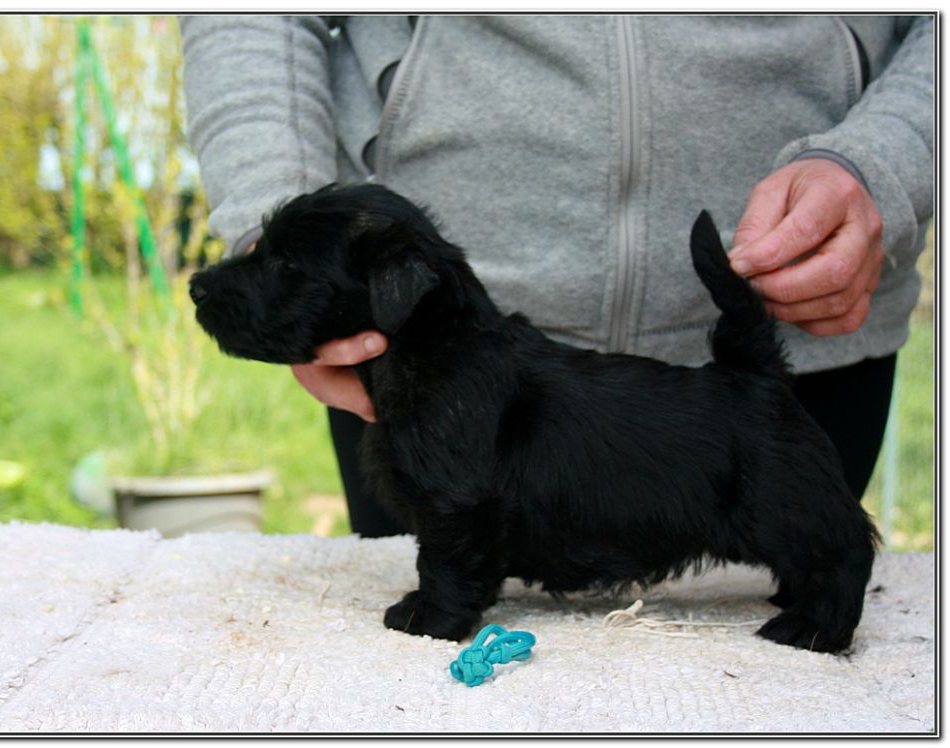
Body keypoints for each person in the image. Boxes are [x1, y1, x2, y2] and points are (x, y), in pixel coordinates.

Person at [180, 15, 934, 536]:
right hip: (419, 372)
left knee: (797, 643)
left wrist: (884, 162)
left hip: (801, 343)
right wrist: (277, 211)